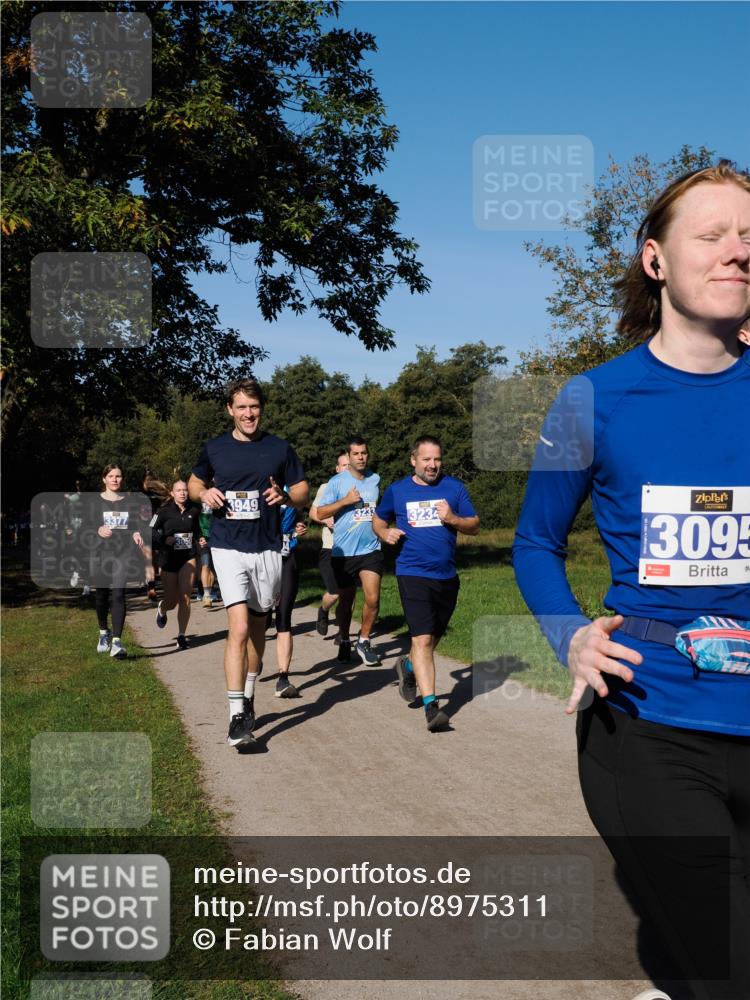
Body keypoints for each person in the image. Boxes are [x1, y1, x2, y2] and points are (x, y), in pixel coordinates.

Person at [513, 162, 750, 999]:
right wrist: (569, 635)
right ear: (656, 260)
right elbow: (535, 545)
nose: (737, 253)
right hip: (649, 725)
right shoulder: (593, 400)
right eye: (713, 235)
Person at [188, 378, 308, 749]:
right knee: (238, 628)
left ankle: (250, 692)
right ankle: (236, 715)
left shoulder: (279, 448)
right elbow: (194, 484)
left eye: (253, 407)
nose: (248, 413)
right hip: (227, 546)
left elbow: (303, 489)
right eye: (241, 407)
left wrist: (285, 495)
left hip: (268, 548)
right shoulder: (215, 449)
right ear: (230, 409)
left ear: (261, 409)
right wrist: (204, 491)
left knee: (258, 629)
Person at [373, 436, 479, 731]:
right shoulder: (398, 490)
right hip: (412, 573)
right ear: (413, 460)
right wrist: (385, 534)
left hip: (446, 577)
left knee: (430, 642)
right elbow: (378, 520)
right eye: (426, 460)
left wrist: (453, 518)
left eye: (437, 460)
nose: (432, 465)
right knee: (421, 640)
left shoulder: (454, 488)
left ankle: (406, 666)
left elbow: (475, 525)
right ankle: (432, 707)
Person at [316, 437, 383, 665]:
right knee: (346, 602)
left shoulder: (375, 479)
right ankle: (344, 639)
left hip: (371, 549)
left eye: (364, 453)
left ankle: (363, 641)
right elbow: (321, 513)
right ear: (349, 455)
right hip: (343, 552)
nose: (361, 457)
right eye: (356, 454)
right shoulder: (336, 482)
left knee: (373, 598)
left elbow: (376, 511)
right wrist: (345, 501)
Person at [90, 464, 145, 658]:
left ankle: (117, 641)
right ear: (103, 478)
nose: (115, 479)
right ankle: (104, 632)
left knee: (119, 593)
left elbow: (134, 524)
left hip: (123, 553)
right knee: (102, 595)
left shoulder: (129, 502)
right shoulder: (94, 502)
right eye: (111, 476)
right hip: (100, 553)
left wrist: (137, 532)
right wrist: (97, 530)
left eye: (119, 476)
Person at [151, 479, 205, 650]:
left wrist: (200, 538)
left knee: (185, 597)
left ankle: (181, 635)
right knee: (172, 601)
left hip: (188, 557)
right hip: (168, 558)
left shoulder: (195, 510)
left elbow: (197, 530)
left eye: (185, 490)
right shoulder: (163, 512)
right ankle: (162, 608)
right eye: (179, 490)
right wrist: (163, 539)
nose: (182, 493)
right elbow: (150, 529)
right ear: (172, 493)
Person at [268, 497, 307, 697]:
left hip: (287, 558)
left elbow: (298, 516)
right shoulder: (257, 486)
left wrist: (299, 527)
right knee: (260, 617)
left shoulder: (292, 492)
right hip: (262, 560)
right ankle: (253, 660)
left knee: (283, 616)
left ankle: (283, 678)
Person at [309, 450, 350, 638]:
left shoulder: (361, 489)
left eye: (350, 465)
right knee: (334, 593)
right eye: (343, 465)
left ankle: (343, 634)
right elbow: (313, 513)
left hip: (352, 549)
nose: (347, 469)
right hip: (330, 548)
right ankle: (323, 610)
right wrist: (325, 521)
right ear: (337, 468)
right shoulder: (327, 487)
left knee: (348, 595)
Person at [140, 472, 169, 600]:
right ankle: (158, 587)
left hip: (151, 528)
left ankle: (154, 587)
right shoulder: (161, 496)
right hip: (154, 528)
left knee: (151, 560)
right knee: (155, 559)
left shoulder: (146, 496)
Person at [197, 497, 220, 608]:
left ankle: (209, 592)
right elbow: (194, 520)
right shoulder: (196, 498)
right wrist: (199, 536)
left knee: (214, 568)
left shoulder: (219, 495)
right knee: (205, 565)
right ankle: (206, 595)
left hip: (217, 538)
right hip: (203, 538)